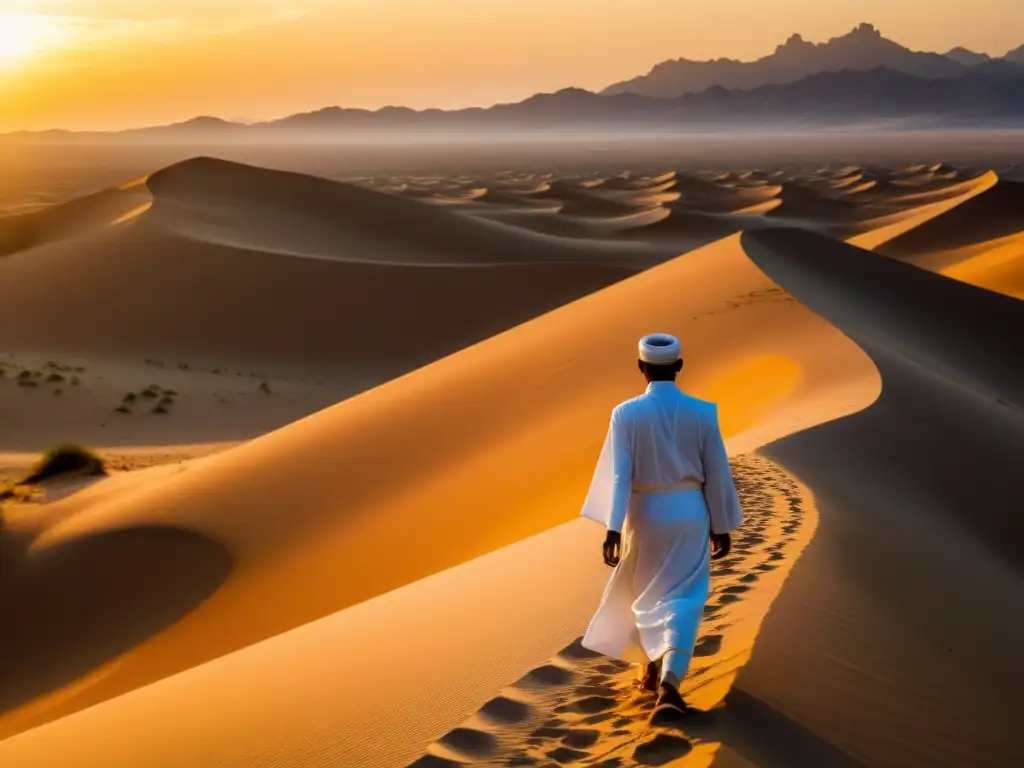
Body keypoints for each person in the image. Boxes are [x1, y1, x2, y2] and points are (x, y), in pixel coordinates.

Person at [579, 332, 743, 718]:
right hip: (690, 513)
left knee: (648, 596)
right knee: (683, 598)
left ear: (641, 367)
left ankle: (653, 674)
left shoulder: (625, 413)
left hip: (645, 515)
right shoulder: (704, 412)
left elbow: (620, 477)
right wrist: (721, 524)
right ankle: (668, 680)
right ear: (680, 367)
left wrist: (612, 528)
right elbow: (717, 472)